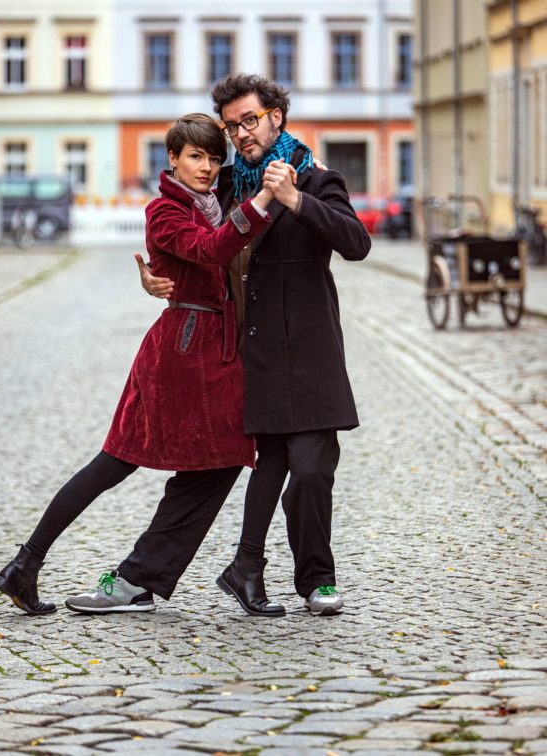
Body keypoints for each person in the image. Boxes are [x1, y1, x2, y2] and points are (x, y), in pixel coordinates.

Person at [0, 113, 286, 618]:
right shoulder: (164, 211)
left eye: (215, 158)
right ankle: (30, 561)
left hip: (215, 350)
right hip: (183, 353)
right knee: (118, 460)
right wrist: (262, 203)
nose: (206, 167)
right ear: (172, 158)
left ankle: (133, 577)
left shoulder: (216, 203)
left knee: (221, 458)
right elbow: (211, 251)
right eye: (196, 156)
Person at [141, 74, 371, 617]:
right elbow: (192, 247)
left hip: (311, 350)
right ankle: (252, 569)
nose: (242, 133)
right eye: (232, 125)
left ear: (277, 117)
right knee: (268, 464)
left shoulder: (316, 180)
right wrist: (154, 276)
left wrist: (294, 199)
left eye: (250, 120)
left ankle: (315, 577)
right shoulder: (225, 190)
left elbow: (356, 243)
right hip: (252, 350)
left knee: (312, 469)